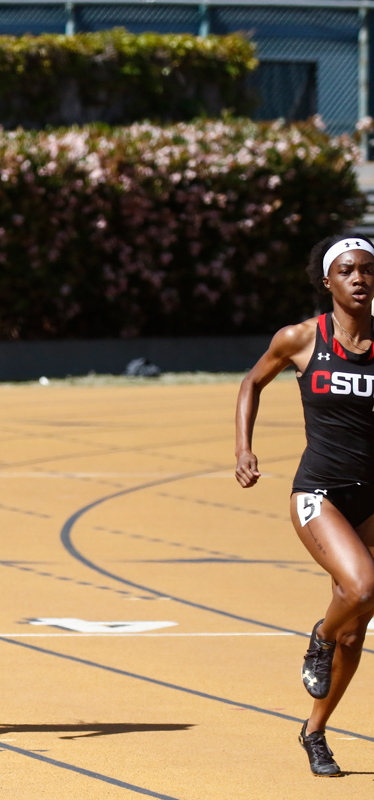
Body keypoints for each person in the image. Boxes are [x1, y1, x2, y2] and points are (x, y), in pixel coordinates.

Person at [235, 234, 374, 777]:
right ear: (327, 282)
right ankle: (317, 637)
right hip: (319, 492)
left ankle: (315, 731)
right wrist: (244, 448)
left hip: (373, 496)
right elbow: (252, 381)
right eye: (348, 271)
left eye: (368, 270)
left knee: (355, 625)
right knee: (362, 588)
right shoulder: (300, 339)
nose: (360, 278)